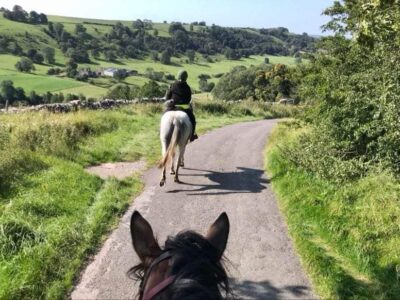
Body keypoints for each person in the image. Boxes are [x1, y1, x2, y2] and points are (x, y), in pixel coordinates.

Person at [165, 70, 198, 142]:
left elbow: (167, 97)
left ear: (178, 76)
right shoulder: (187, 87)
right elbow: (189, 99)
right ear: (186, 77)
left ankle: (160, 130)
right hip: (184, 108)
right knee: (193, 120)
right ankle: (192, 135)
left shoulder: (172, 85)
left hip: (172, 107)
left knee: (164, 116)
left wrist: (169, 101)